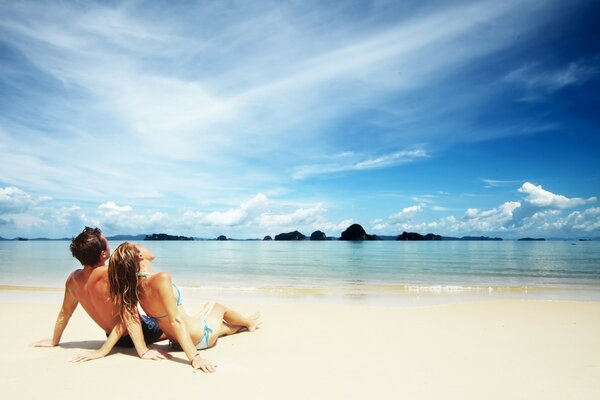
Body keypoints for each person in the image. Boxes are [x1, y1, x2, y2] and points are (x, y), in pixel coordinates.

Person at [74, 242, 261, 372]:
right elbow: (176, 319)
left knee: (222, 327)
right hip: (195, 338)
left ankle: (243, 325)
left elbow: (128, 319)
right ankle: (249, 323)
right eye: (140, 247)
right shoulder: (161, 278)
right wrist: (195, 358)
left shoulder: (134, 285)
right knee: (215, 306)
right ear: (140, 255)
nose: (146, 247)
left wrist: (104, 350)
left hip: (178, 340)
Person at [32, 227, 167, 361]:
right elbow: (129, 313)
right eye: (107, 243)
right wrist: (142, 351)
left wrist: (54, 341)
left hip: (114, 337)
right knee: (171, 321)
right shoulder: (111, 274)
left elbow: (65, 313)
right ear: (103, 254)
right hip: (142, 332)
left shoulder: (73, 279)